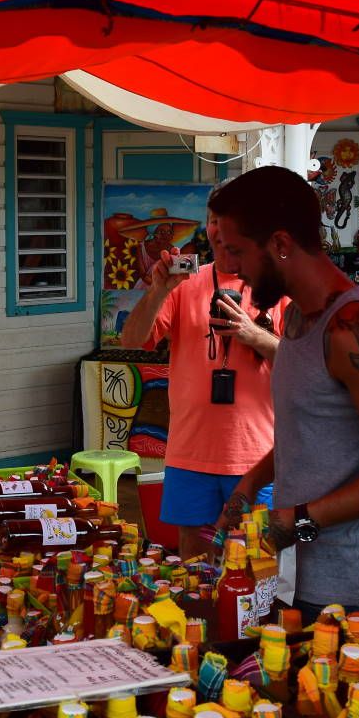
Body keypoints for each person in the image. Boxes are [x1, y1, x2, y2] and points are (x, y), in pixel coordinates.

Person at [207, 166, 359, 620]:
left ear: (280, 245)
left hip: (344, 591)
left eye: (237, 251)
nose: (230, 267)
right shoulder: (296, 317)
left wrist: (299, 521)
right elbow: (313, 429)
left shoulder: (351, 327)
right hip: (294, 575)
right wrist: (251, 483)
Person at [119, 199, 286, 559]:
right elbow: (130, 340)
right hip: (189, 455)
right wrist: (159, 289)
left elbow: (307, 365)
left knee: (256, 566)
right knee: (194, 565)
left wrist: (253, 335)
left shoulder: (277, 288)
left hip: (256, 459)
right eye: (214, 221)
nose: (222, 231)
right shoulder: (184, 282)